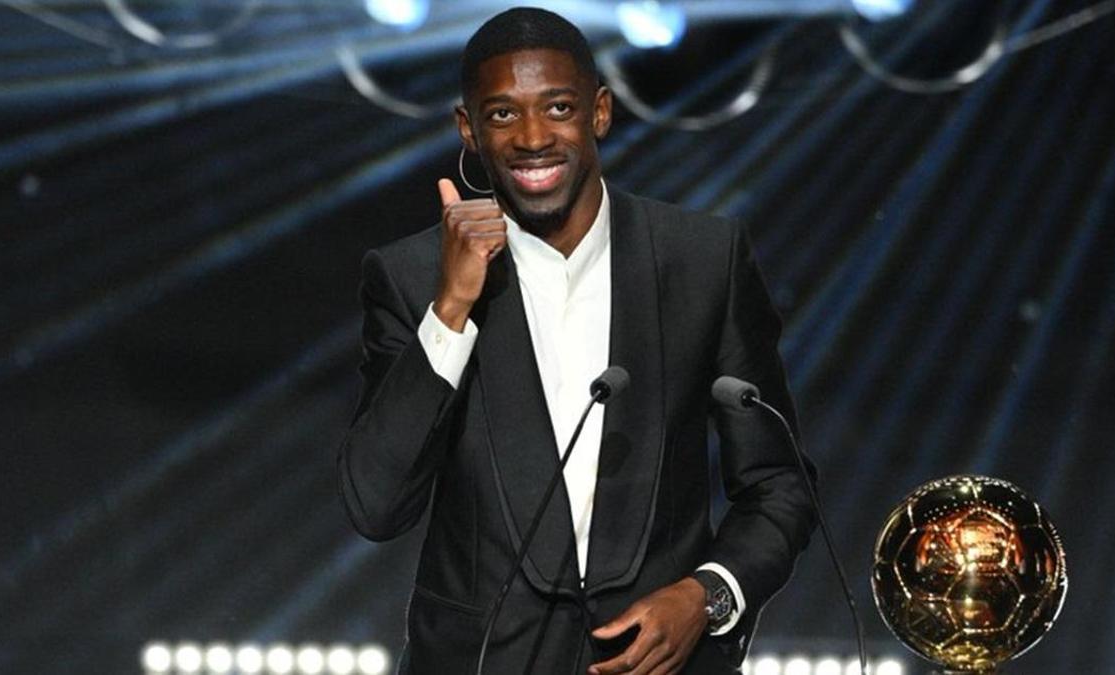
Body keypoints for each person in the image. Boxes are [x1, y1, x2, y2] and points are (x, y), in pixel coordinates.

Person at [337, 8, 816, 674]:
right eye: (502, 114)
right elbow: (376, 506)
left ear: (600, 112)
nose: (533, 137)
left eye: (558, 107)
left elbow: (778, 485)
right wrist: (451, 308)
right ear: (468, 129)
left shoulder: (702, 259)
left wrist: (706, 595)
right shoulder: (412, 277)